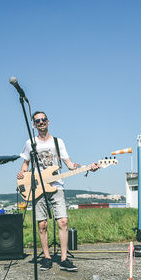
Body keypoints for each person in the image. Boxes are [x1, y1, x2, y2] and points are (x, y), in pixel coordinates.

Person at [17, 111, 99, 271]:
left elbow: (69, 164)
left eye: (43, 119)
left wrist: (87, 167)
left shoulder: (58, 142)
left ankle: (64, 259)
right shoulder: (30, 143)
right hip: (37, 186)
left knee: (63, 221)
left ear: (48, 121)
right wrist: (22, 173)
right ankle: (47, 258)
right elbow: (25, 163)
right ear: (34, 125)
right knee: (42, 224)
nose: (41, 122)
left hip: (57, 184)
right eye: (37, 121)